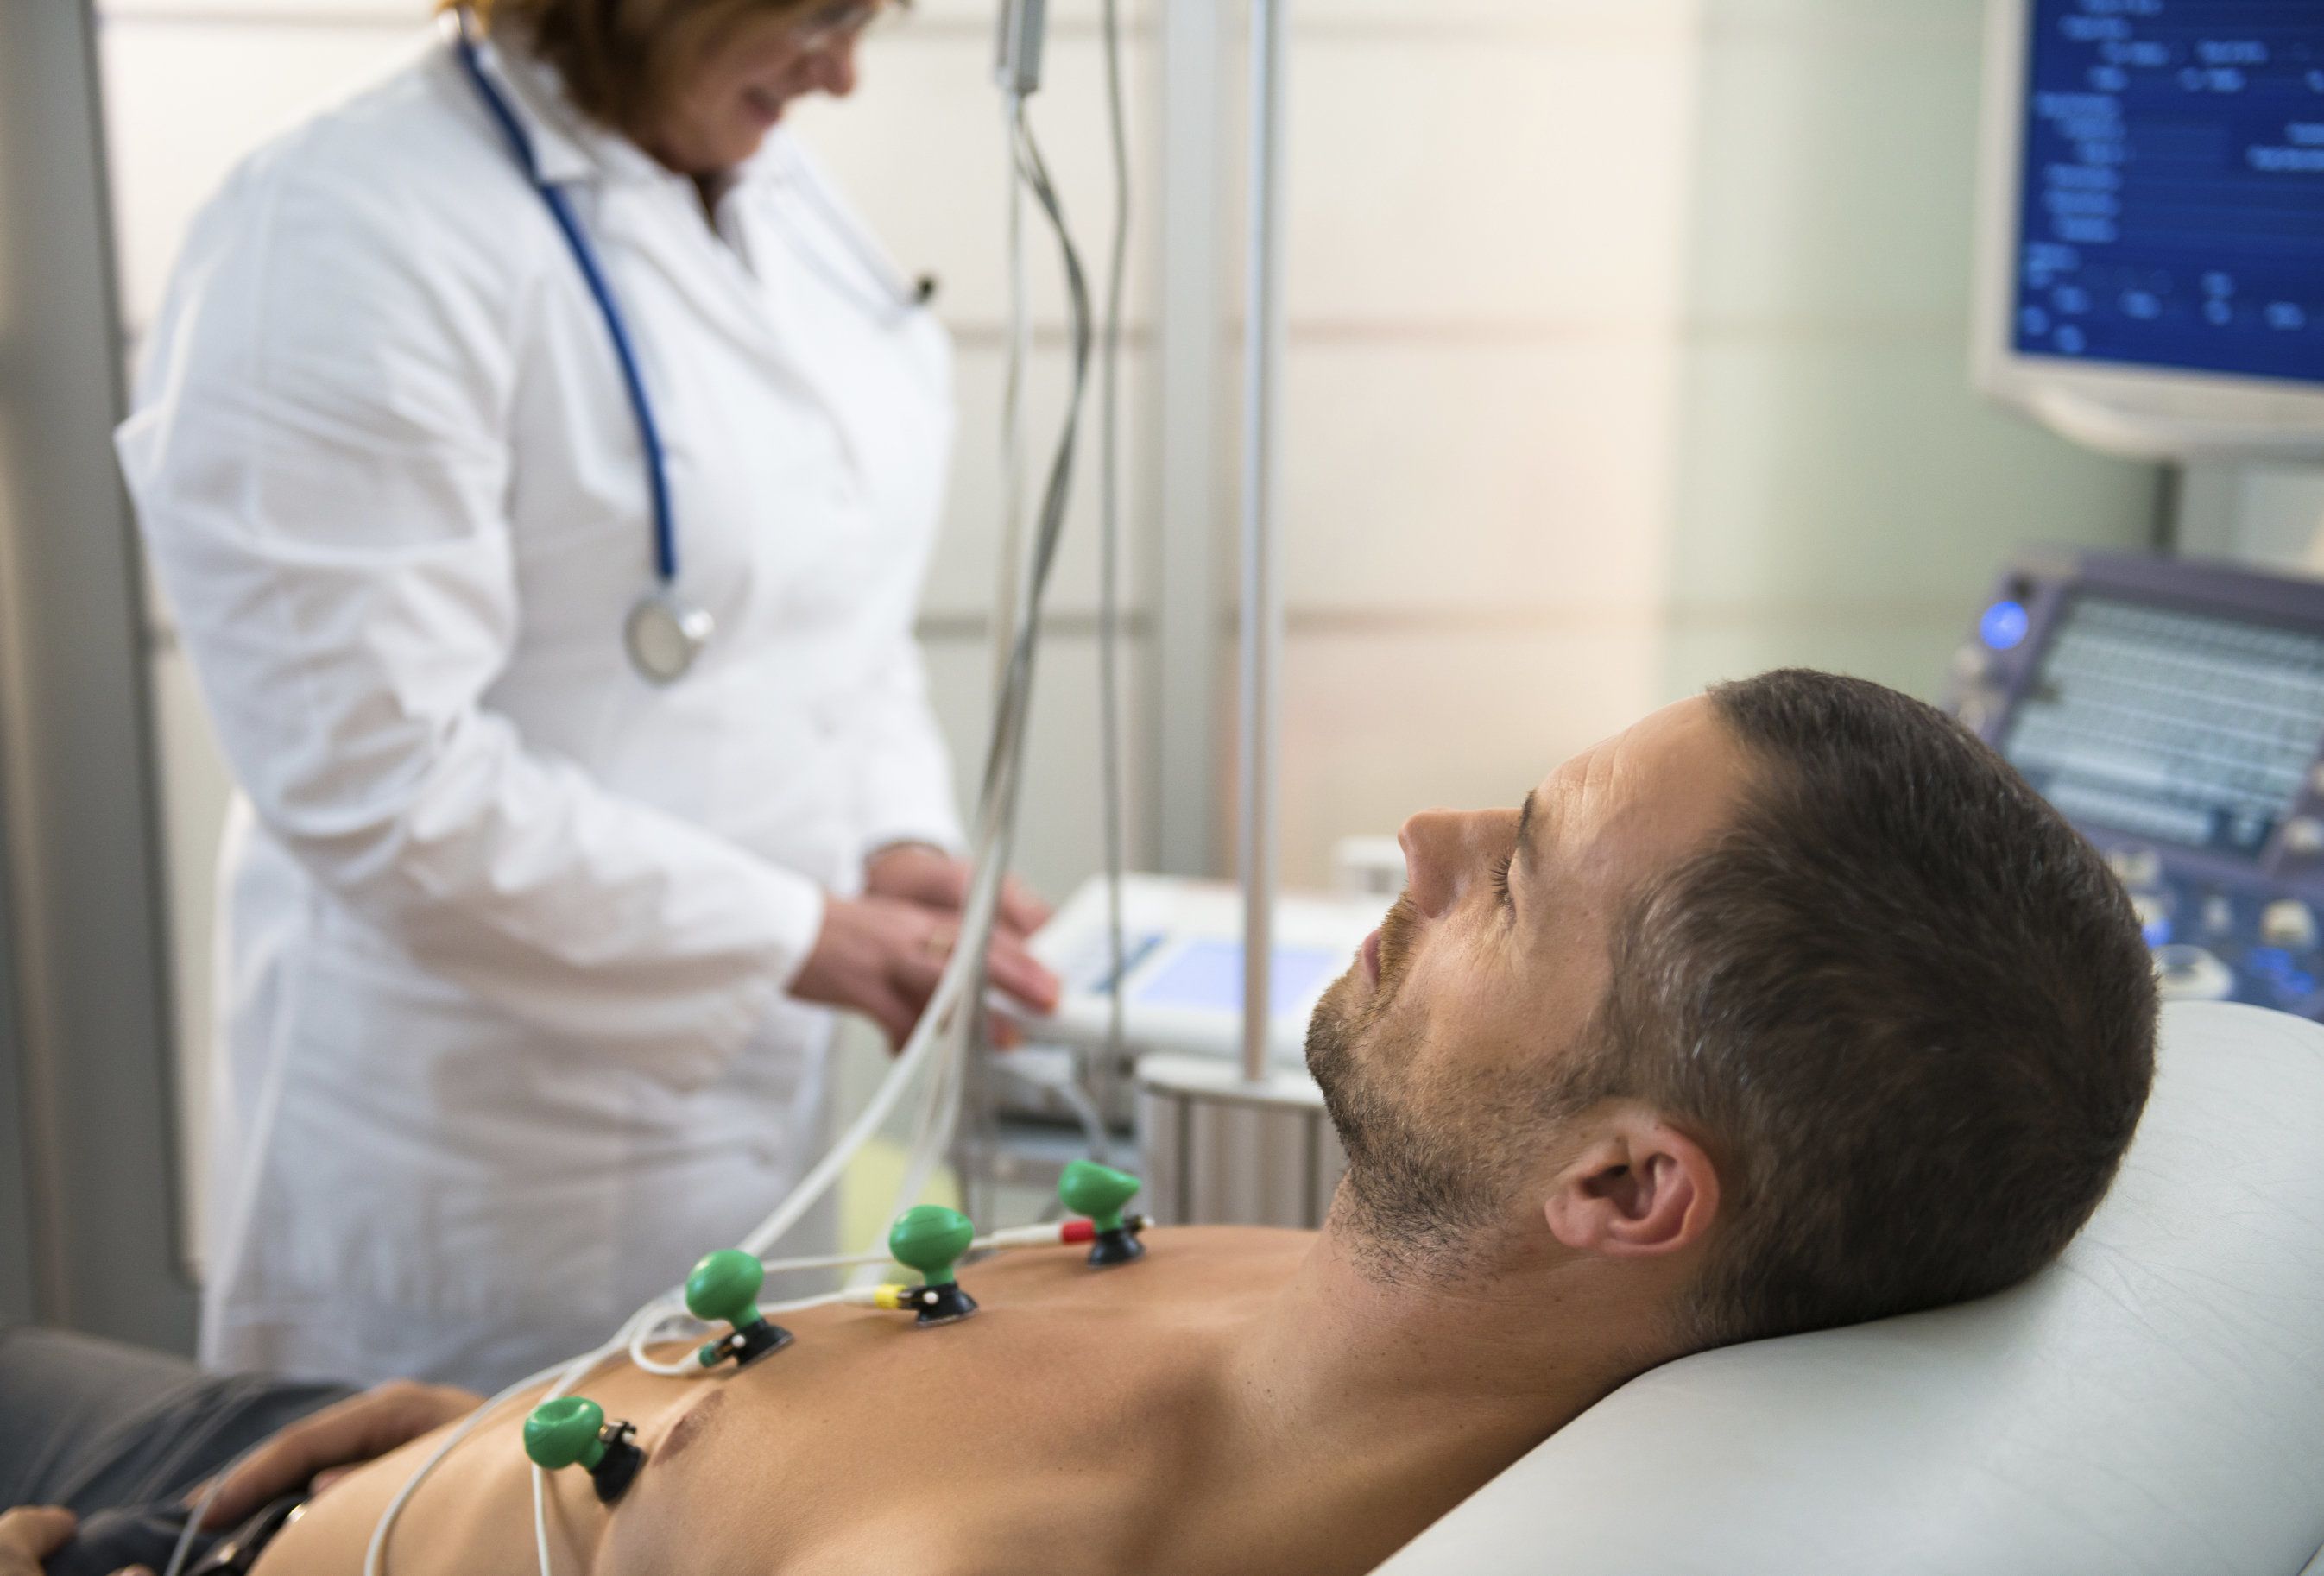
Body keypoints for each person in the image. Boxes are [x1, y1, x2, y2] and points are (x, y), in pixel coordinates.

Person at [4, 671, 2157, 1576]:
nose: (1417, 835)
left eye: (1511, 872)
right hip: (369, 1445)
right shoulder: (1362, 1289)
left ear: (1621, 1184)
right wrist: (541, 1440)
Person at [115, 0, 1059, 1395]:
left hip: (746, 1126)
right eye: (816, 18)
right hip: (480, 1168)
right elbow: (377, 779)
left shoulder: (767, 183)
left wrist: (892, 838)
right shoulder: (336, 231)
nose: (847, 74)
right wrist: (810, 938)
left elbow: (826, 601)